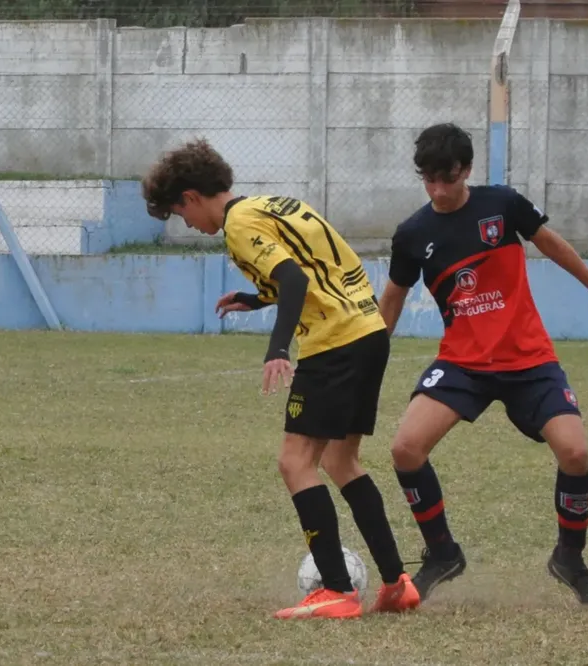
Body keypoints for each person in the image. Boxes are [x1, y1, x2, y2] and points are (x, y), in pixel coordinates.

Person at [141, 138, 420, 619]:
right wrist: (255, 299)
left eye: (179, 213)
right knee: (341, 460)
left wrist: (277, 348)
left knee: (295, 463)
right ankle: (397, 582)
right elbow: (318, 268)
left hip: (333, 342)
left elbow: (294, 280)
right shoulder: (276, 205)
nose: (187, 224)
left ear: (190, 196)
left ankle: (335, 590)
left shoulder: (238, 224)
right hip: (368, 330)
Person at [377, 123, 588, 606]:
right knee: (406, 448)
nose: (438, 189)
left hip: (528, 357)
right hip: (463, 362)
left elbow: (552, 245)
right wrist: (366, 361)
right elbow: (391, 299)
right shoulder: (413, 234)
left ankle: (569, 559)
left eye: (447, 178)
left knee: (575, 454)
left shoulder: (501, 204)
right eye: (428, 179)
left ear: (466, 170)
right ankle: (443, 553)